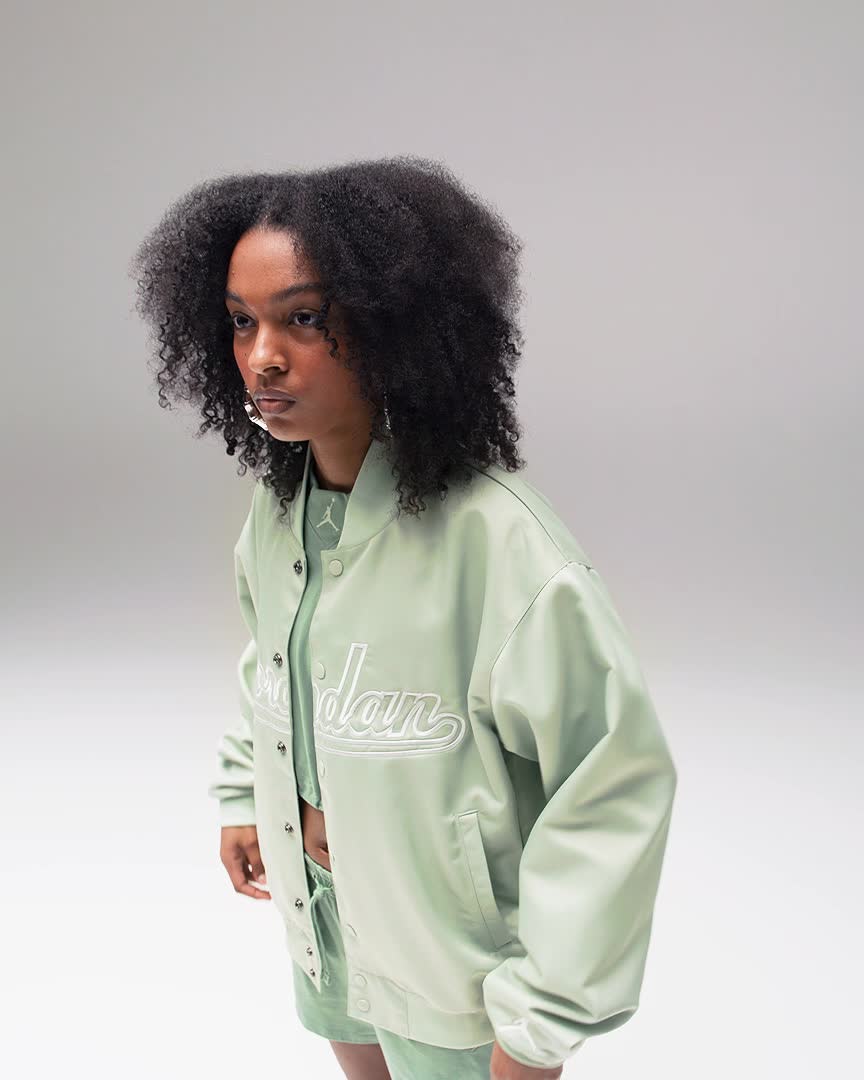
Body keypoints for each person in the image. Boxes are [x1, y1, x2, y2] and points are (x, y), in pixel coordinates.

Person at [129, 155, 678, 1080]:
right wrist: (244, 792)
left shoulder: (499, 545)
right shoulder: (281, 511)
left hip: (451, 963)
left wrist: (541, 1023)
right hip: (324, 923)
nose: (263, 355)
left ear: (397, 325)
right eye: (241, 321)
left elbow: (611, 783)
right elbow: (275, 663)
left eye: (304, 318)